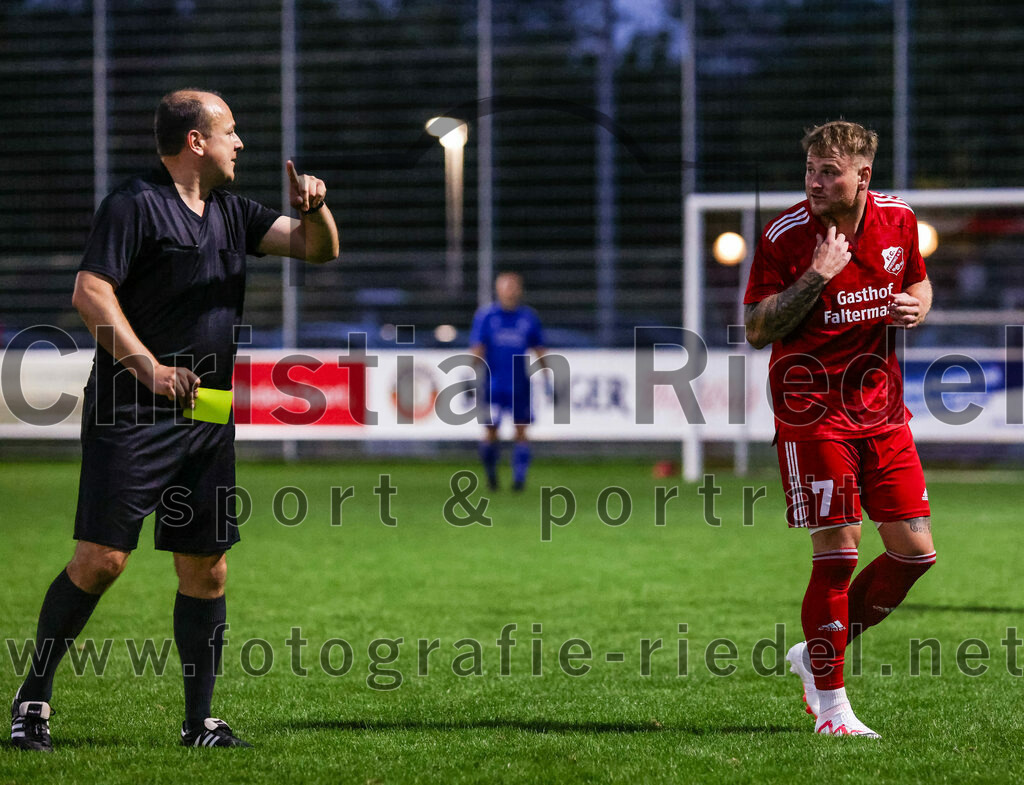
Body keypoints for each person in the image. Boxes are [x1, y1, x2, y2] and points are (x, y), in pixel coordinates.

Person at [10, 89, 339, 752]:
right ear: (195, 141)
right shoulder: (134, 205)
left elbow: (317, 249)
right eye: (230, 130)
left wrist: (318, 208)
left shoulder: (232, 213)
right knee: (101, 560)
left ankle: (199, 722)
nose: (240, 143)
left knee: (206, 568)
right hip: (130, 412)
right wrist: (150, 367)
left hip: (208, 416)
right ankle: (32, 699)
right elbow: (89, 291)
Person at [743, 120, 935, 738]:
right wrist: (818, 275)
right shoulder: (786, 236)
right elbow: (755, 328)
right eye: (810, 171)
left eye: (830, 172)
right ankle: (832, 710)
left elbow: (917, 280)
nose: (816, 183)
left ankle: (814, 652)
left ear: (862, 177)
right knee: (839, 555)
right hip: (812, 415)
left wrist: (921, 303)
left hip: (883, 412)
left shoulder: (899, 222)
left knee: (914, 551)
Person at [470, 272, 547, 491]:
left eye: (513, 287)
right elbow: (478, 348)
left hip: (520, 383)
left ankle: (519, 480)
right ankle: (491, 476)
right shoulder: (486, 316)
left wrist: (547, 375)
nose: (510, 291)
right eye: (505, 287)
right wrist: (469, 375)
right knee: (490, 431)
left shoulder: (528, 317)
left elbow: (539, 348)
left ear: (519, 290)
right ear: (498, 290)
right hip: (492, 384)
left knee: (521, 431)